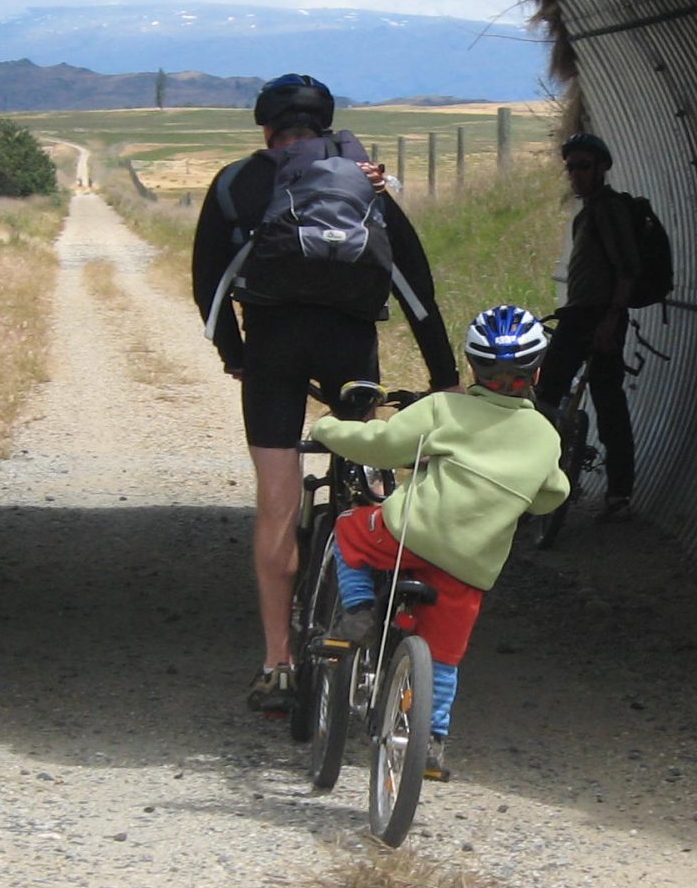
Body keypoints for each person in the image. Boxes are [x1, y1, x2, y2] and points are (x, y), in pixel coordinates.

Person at [191, 74, 459, 712]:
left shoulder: (238, 182)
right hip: (349, 347)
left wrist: (237, 353)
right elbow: (412, 285)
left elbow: (210, 286)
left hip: (274, 349)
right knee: (366, 482)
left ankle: (278, 662)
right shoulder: (364, 182)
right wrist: (445, 377)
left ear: (267, 130)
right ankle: (376, 629)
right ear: (326, 125)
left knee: (278, 502)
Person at [310, 305, 569, 779]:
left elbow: (381, 447)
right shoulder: (545, 436)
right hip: (470, 566)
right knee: (445, 656)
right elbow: (552, 496)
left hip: (411, 535)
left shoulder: (442, 408)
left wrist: (327, 429)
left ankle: (360, 608)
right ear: (538, 370)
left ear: (471, 365)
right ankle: (430, 742)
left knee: (349, 527)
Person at [536, 131, 640, 520]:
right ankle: (612, 492)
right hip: (588, 315)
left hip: (594, 318)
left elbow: (627, 270)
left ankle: (615, 494)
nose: (576, 175)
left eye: (584, 166)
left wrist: (609, 322)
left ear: (602, 168)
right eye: (571, 168)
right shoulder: (592, 211)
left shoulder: (607, 211)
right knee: (604, 399)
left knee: (552, 395)